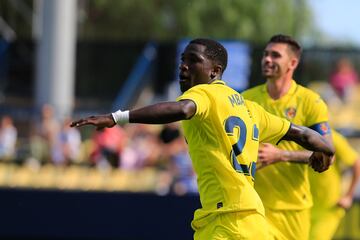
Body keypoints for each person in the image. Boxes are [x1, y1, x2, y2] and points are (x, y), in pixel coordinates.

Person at [71, 38, 334, 239]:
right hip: (250, 219)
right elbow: (300, 133)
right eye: (182, 59)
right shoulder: (250, 108)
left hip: (227, 220)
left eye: (193, 60)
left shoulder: (205, 94)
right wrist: (325, 151)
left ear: (214, 71)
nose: (184, 66)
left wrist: (117, 117)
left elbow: (182, 109)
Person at [242, 34, 333, 240]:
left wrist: (281, 155)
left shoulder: (310, 101)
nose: (267, 59)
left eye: (275, 55)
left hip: (292, 209)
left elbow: (329, 153)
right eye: (265, 54)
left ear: (292, 62)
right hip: (253, 206)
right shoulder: (246, 99)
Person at [309, 130, 360, 240]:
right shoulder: (297, 136)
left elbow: (356, 163)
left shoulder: (333, 138)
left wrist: (348, 197)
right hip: (304, 207)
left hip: (328, 209)